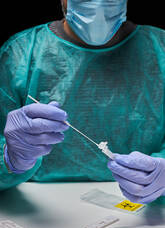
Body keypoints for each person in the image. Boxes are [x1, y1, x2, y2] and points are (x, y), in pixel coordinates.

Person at [0, 0, 165, 204]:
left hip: (145, 212)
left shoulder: (160, 50)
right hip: (41, 210)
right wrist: (10, 159)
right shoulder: (21, 53)